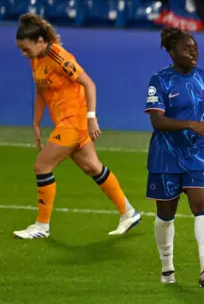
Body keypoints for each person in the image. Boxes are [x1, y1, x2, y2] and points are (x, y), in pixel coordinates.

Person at [13, 14, 140, 239]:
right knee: (93, 167)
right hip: (65, 122)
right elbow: (42, 91)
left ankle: (42, 226)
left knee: (42, 165)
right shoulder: (36, 60)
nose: (23, 54)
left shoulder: (60, 58)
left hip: (74, 121)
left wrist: (92, 117)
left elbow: (89, 84)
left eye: (26, 49)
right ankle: (128, 213)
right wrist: (35, 122)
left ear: (40, 42)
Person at [145, 27, 204, 286]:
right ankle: (167, 269)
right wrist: (191, 124)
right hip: (166, 157)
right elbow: (157, 121)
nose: (193, 53)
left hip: (197, 154)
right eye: (186, 49)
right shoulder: (159, 81)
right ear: (172, 53)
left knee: (203, 205)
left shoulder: (203, 77)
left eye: (195, 48)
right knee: (165, 214)